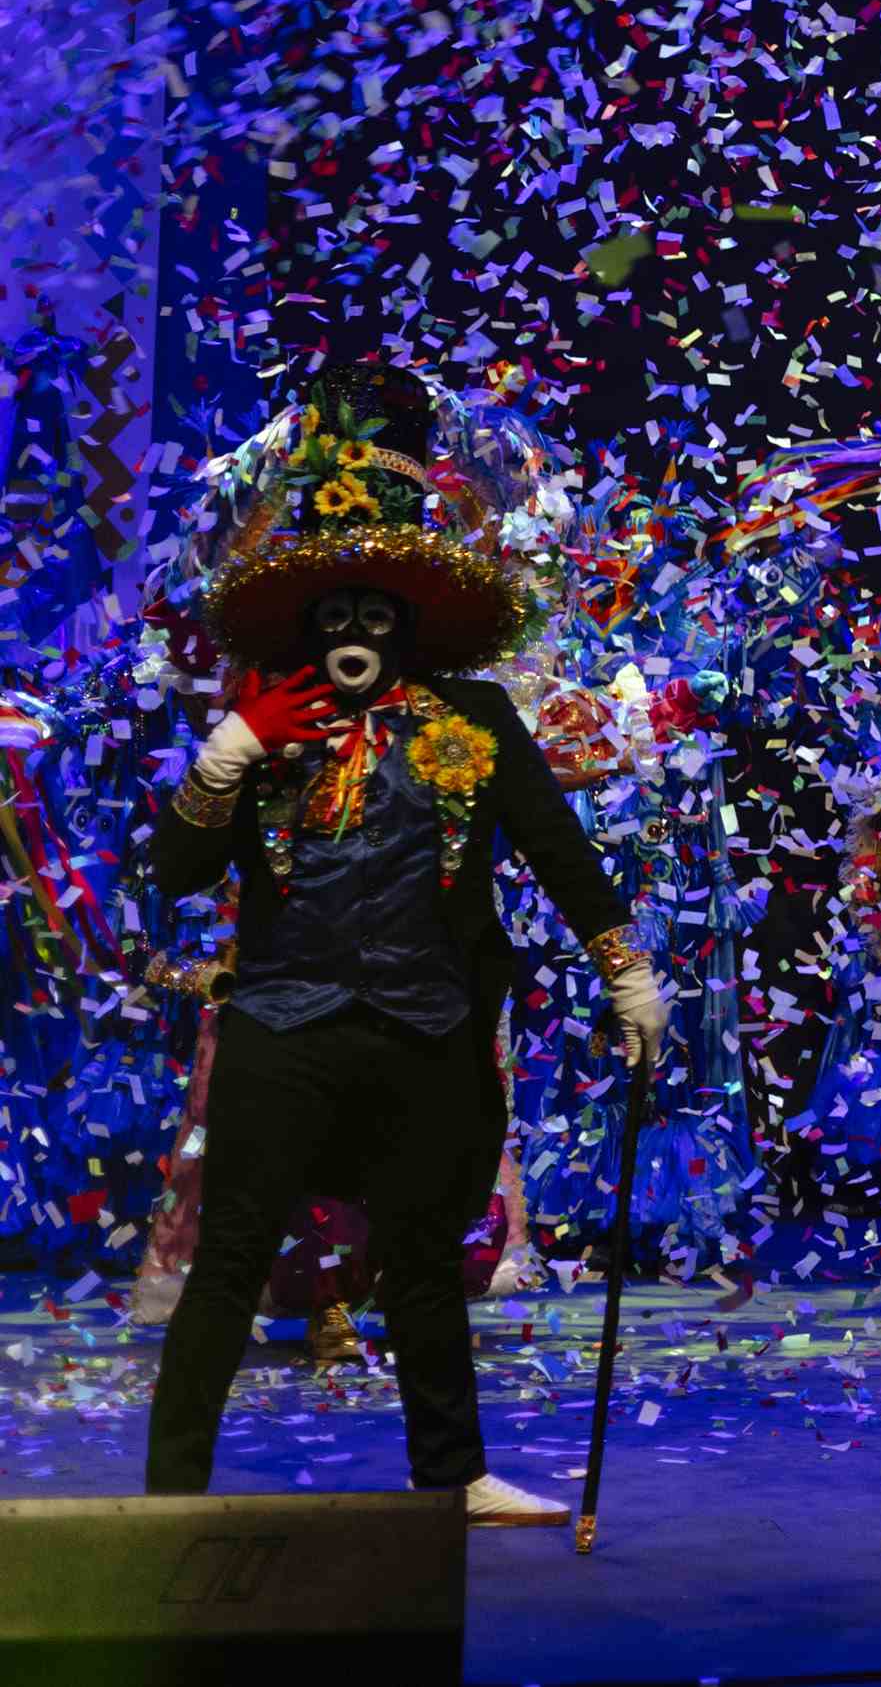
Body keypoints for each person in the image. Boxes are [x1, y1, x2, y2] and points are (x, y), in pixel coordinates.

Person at [142, 361, 667, 1526]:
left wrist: (625, 966)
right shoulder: (261, 726)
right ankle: (167, 1493)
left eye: (377, 614)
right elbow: (172, 876)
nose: (356, 632)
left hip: (428, 1024)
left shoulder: (472, 722)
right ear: (309, 623)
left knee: (425, 1259)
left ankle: (455, 1475)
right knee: (229, 1263)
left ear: (411, 623)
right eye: (336, 615)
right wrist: (227, 754)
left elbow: (553, 846)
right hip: (285, 1025)